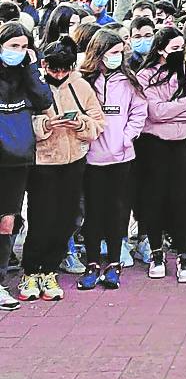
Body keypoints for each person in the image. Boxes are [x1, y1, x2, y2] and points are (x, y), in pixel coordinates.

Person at [17, 38, 104, 303]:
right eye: (54, 69)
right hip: (42, 163)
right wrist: (44, 125)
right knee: (41, 218)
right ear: (44, 65)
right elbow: (21, 122)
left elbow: (98, 122)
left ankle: (51, 270)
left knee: (66, 218)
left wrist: (80, 124)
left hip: (73, 161)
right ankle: (31, 271)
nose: (59, 74)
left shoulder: (81, 86)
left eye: (64, 69)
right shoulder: (33, 86)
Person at [78, 29, 147, 291]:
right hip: (92, 157)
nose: (118, 57)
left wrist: (127, 137)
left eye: (121, 52)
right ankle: (93, 262)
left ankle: (115, 263)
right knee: (94, 212)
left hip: (121, 156)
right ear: (99, 52)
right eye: (113, 52)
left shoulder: (130, 80)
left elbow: (139, 111)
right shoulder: (84, 80)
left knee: (118, 210)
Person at [138, 28, 186, 283]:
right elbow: (154, 112)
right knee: (155, 197)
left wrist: (175, 109)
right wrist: (184, 103)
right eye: (174, 49)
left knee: (182, 199)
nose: (179, 53)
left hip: (182, 143)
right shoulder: (145, 76)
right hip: (154, 144)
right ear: (160, 49)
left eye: (182, 48)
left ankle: (184, 254)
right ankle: (156, 253)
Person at [0, 23, 54, 309]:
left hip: (18, 159)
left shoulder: (28, 75)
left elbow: (45, 100)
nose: (17, 52)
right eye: (12, 46)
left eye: (23, 47)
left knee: (7, 222)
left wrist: (32, 68)